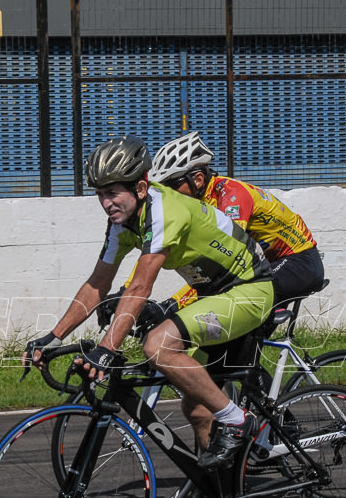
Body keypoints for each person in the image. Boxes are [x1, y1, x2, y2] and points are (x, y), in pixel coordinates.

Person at [22, 135, 275, 468]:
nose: (106, 203)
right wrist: (53, 337)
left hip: (249, 290)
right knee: (197, 407)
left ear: (141, 188)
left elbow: (141, 286)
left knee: (158, 346)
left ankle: (240, 422)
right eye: (100, 194)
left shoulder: (162, 210)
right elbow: (98, 283)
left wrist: (106, 349)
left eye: (113, 193)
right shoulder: (123, 221)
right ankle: (221, 495)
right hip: (216, 295)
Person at [148, 131, 324, 310]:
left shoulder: (231, 198)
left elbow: (226, 264)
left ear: (198, 180)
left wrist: (174, 304)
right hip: (270, 264)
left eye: (172, 186)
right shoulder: (202, 204)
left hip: (299, 262)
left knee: (238, 295)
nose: (168, 194)